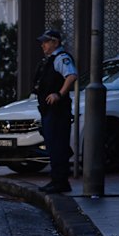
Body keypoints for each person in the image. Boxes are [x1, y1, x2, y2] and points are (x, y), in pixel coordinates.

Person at [33, 29, 77, 194]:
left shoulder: (61, 58)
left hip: (58, 111)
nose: (43, 45)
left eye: (46, 41)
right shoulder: (50, 60)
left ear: (55, 43)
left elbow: (71, 76)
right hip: (49, 110)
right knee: (53, 145)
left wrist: (59, 94)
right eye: (42, 42)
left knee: (57, 145)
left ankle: (60, 181)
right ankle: (57, 180)